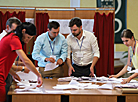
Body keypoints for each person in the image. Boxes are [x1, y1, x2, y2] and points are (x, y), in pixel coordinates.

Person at [0, 22, 43, 102]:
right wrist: (38, 75)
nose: (27, 41)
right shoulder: (14, 39)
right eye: (28, 37)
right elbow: (26, 61)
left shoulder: (11, 36)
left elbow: (3, 60)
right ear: (23, 31)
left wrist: (13, 73)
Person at [0, 17, 30, 102]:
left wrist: (14, 72)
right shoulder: (4, 38)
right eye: (14, 31)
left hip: (7, 73)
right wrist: (23, 68)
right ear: (7, 28)